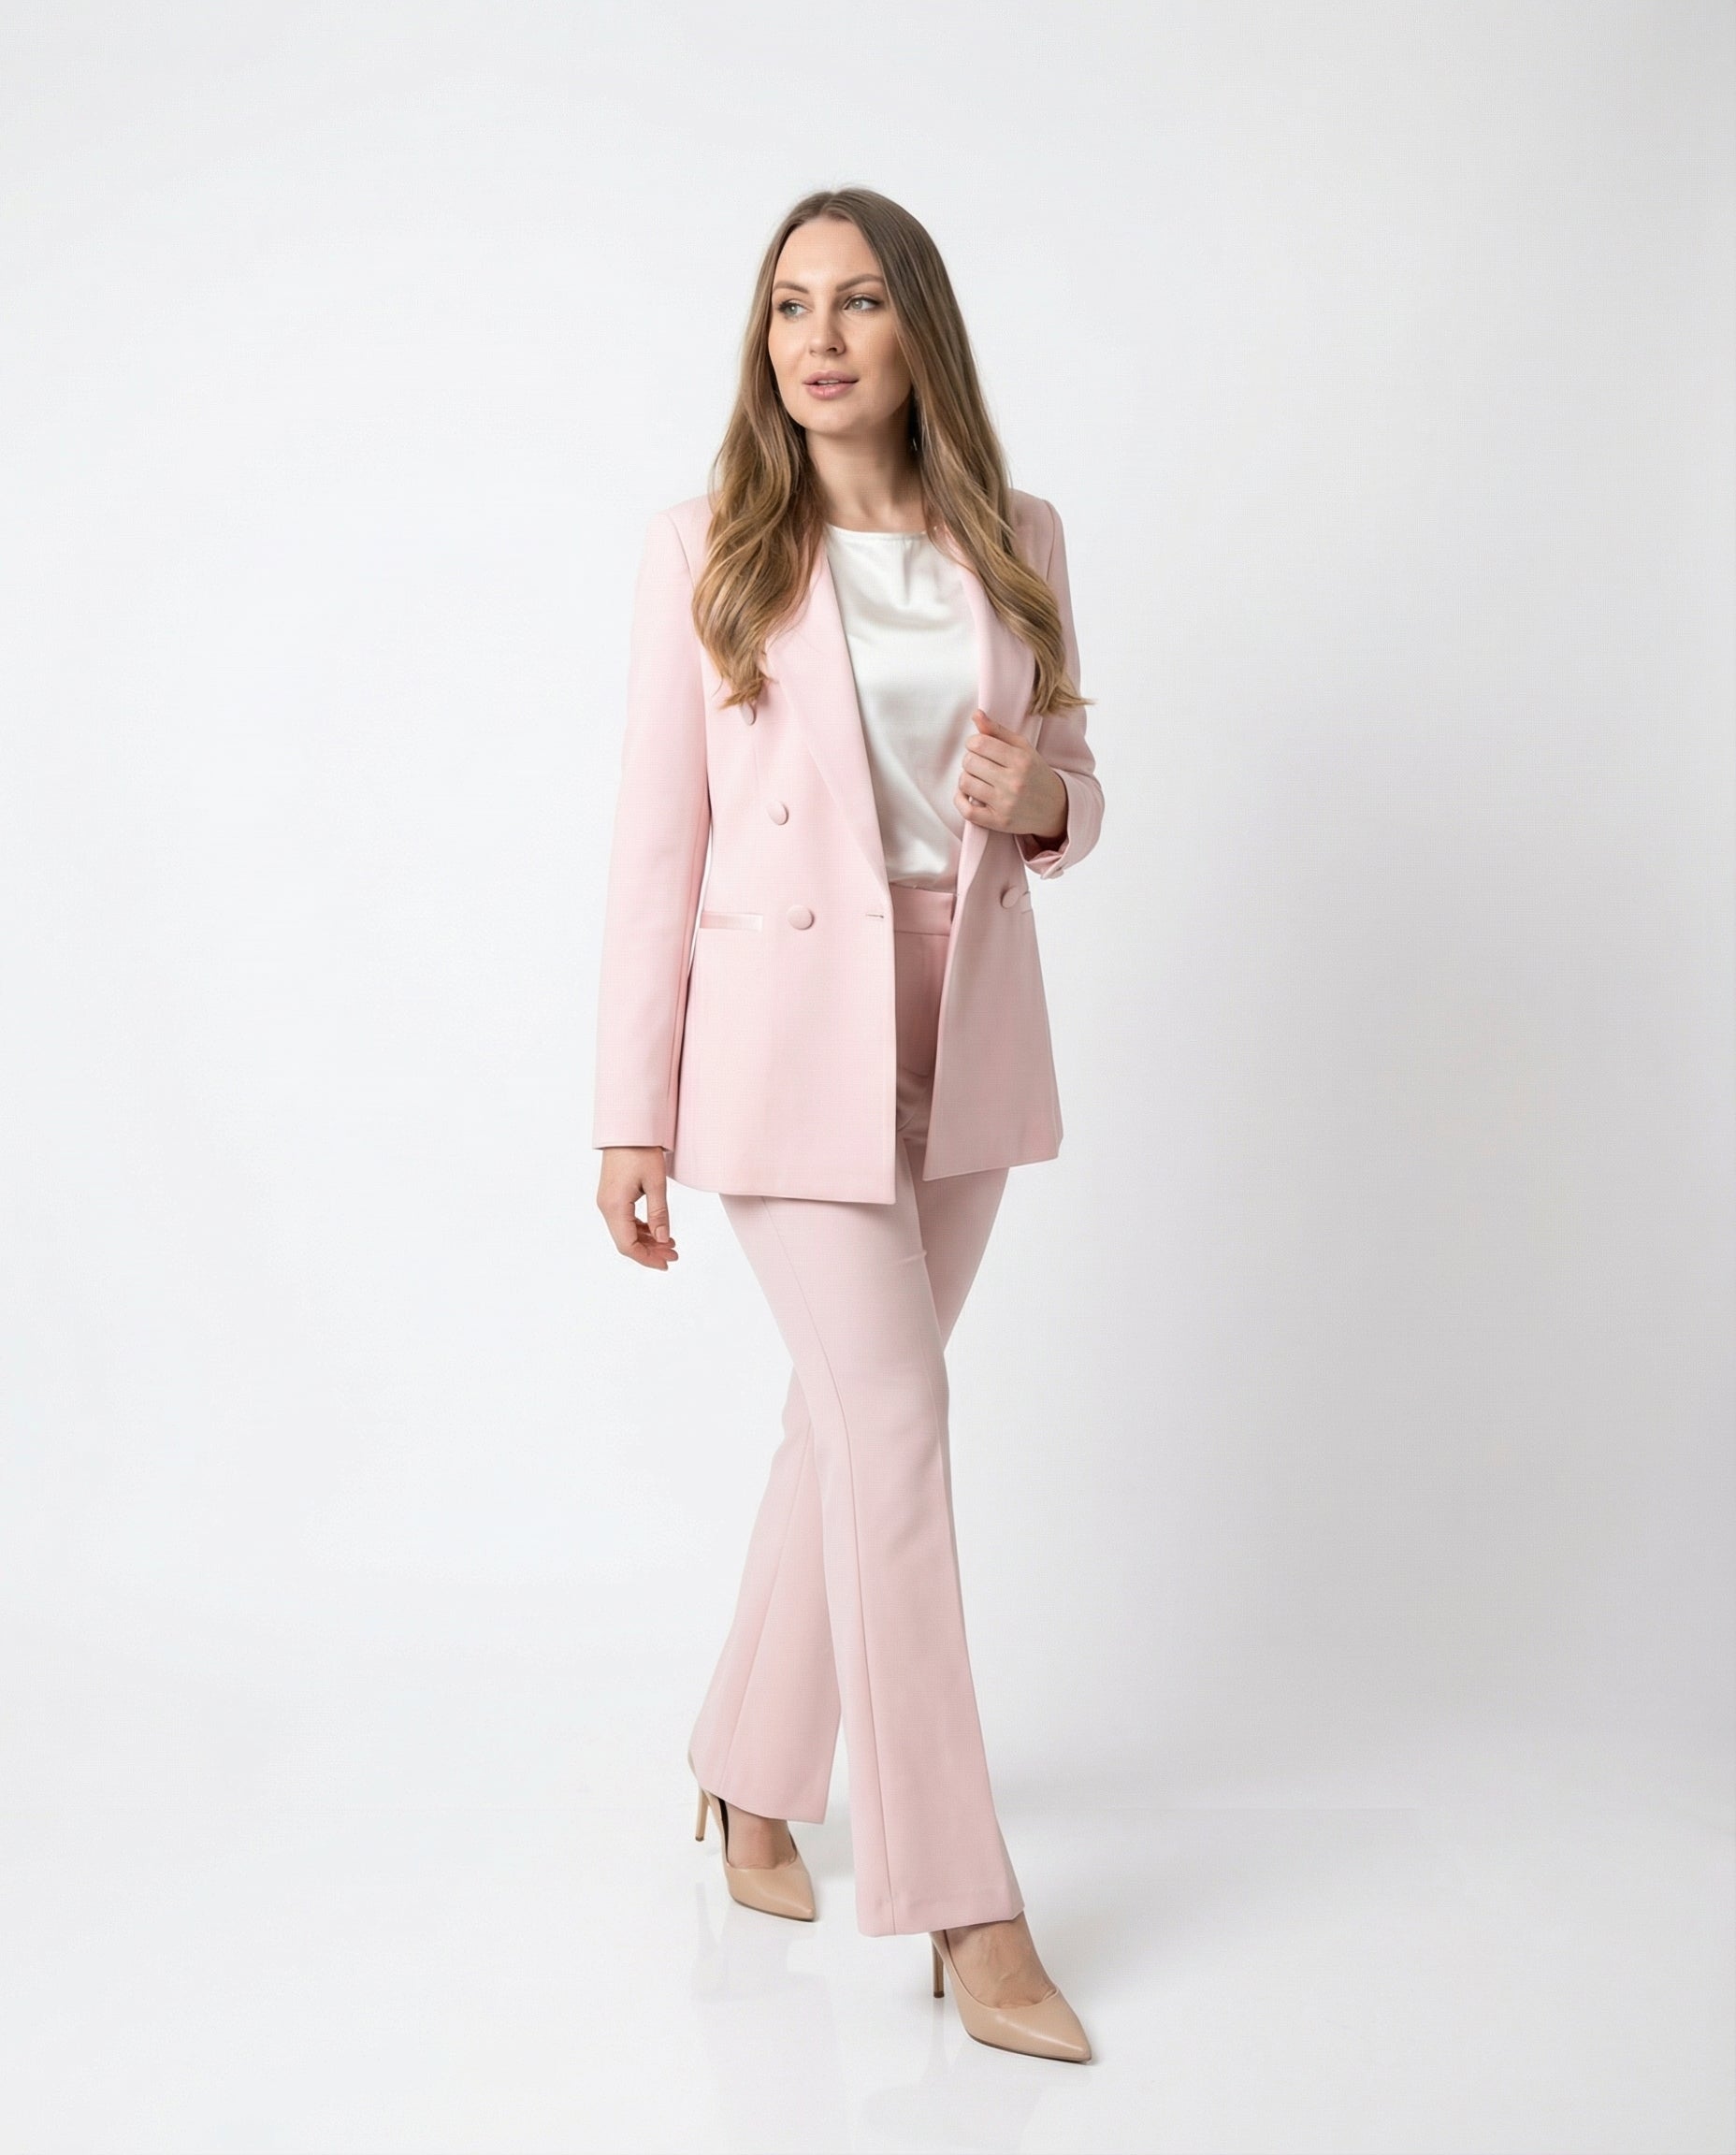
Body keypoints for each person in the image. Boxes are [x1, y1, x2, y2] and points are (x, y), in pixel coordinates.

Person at [592, 186, 1103, 2063]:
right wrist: (628, 1114)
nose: (818, 337)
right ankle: (966, 1903)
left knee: (842, 1421)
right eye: (790, 305)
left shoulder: (1018, 539)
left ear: (916, 330)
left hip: (960, 1030)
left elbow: (1076, 783)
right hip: (780, 1045)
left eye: (859, 301)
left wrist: (1044, 797)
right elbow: (656, 848)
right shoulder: (710, 546)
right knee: (895, 1420)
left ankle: (744, 1768)